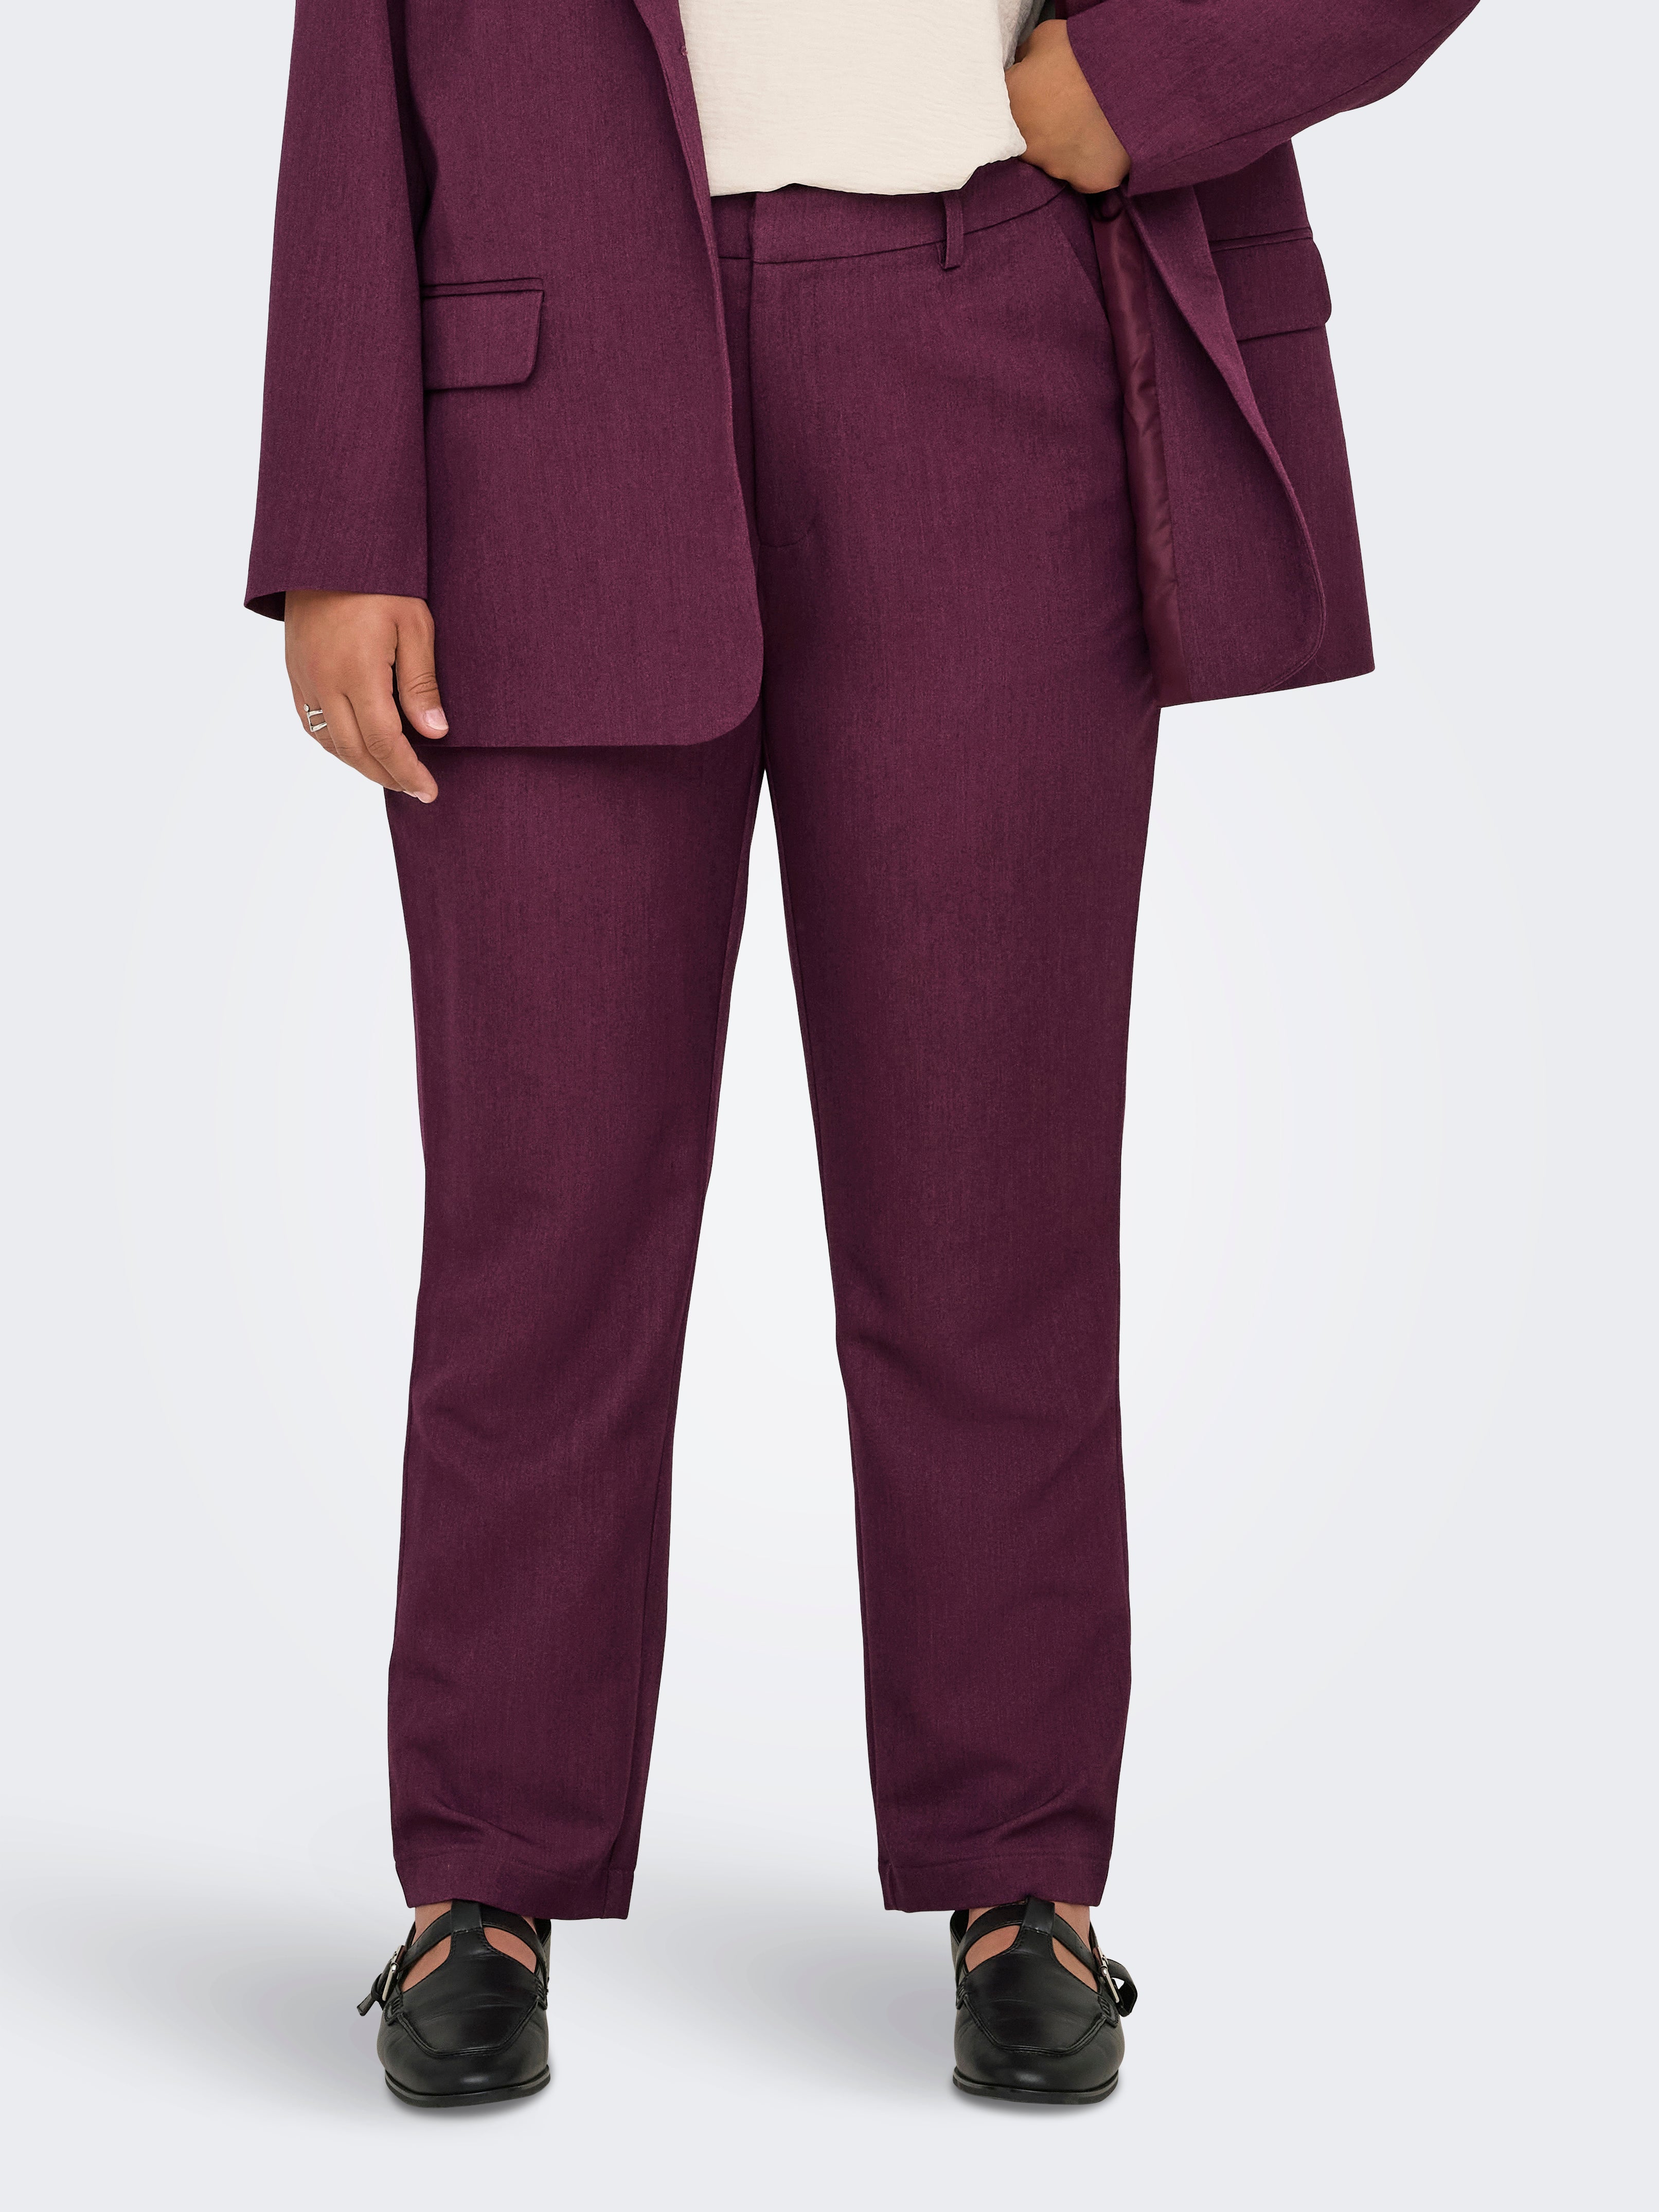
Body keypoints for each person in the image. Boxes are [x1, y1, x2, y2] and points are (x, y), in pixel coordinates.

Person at [249, 0, 1479, 2108]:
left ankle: (1021, 1872)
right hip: (535, 412)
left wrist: (1155, 75)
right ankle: (485, 1873)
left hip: (989, 342)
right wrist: (339, 507)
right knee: (542, 1215)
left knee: (991, 1204)